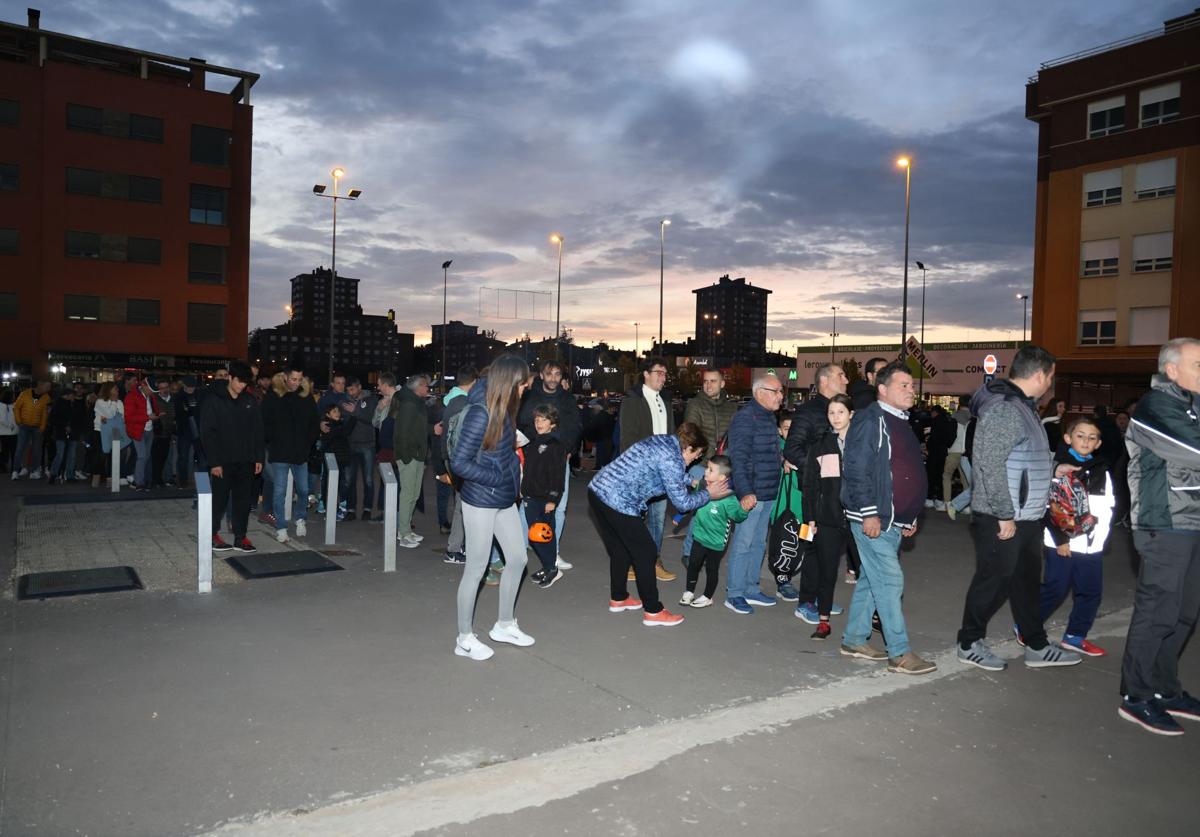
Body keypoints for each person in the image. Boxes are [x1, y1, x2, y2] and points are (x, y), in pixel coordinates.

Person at [956, 345, 1082, 672]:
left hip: (1025, 516)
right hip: (1003, 516)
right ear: (1039, 374)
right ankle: (969, 641)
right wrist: (1004, 513)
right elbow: (988, 462)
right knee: (994, 580)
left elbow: (1021, 457)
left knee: (1026, 583)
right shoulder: (1006, 409)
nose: (1051, 385)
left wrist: (1053, 469)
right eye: (1051, 377)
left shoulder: (1024, 408)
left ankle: (1036, 644)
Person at [1118, 337, 1200, 735]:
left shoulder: (1193, 404)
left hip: (1193, 523)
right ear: (1172, 370)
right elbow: (1193, 450)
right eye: (1198, 364)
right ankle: (1136, 696)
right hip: (1164, 522)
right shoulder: (1157, 405)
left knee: (1185, 612)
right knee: (1158, 612)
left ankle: (1166, 689)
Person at [840, 362, 937, 675]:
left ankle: (854, 639)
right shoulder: (871, 419)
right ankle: (900, 653)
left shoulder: (900, 420)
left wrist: (909, 515)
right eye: (904, 385)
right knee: (890, 580)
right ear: (882, 389)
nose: (911, 389)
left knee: (872, 580)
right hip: (874, 518)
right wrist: (869, 512)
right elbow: (856, 468)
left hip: (894, 519)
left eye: (911, 385)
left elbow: (901, 469)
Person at [590, 421, 729, 627]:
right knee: (646, 552)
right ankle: (653, 611)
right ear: (689, 447)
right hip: (618, 501)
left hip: (597, 491)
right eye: (697, 454)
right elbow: (683, 503)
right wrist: (708, 493)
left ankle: (619, 598)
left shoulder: (664, 441)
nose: (696, 459)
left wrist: (691, 481)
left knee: (621, 550)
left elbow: (667, 470)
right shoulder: (673, 458)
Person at [450, 354, 534, 661]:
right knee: (476, 569)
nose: (525, 390)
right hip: (481, 500)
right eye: (523, 384)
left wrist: (511, 472)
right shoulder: (480, 412)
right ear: (510, 382)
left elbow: (503, 451)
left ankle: (504, 624)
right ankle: (464, 638)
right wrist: (497, 476)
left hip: (503, 499)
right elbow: (460, 463)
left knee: (517, 558)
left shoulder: (504, 409)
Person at [1040, 416, 1113, 657]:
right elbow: (1052, 508)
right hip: (1064, 543)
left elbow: (1107, 505)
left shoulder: (1102, 467)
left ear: (1098, 443)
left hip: (1092, 546)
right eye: (1080, 435)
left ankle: (1074, 636)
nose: (1086, 440)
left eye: (1092, 437)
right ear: (1068, 438)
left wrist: (1102, 536)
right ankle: (1027, 624)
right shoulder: (1061, 466)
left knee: (1090, 592)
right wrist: (1062, 540)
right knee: (1056, 588)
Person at [785, 363, 848, 607]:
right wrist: (821, 470)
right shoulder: (809, 411)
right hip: (810, 497)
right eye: (841, 375)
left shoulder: (841, 410)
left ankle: (823, 599)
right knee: (810, 546)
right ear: (825, 380)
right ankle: (806, 602)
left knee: (829, 551)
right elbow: (792, 449)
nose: (845, 380)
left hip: (835, 498)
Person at [723, 373, 786, 614]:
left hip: (768, 492)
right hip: (753, 493)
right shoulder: (745, 419)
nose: (781, 396)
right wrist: (745, 491)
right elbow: (739, 458)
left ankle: (751, 587)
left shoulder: (768, 417)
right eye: (776, 391)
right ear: (760, 393)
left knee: (758, 543)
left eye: (781, 392)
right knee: (743, 543)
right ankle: (735, 593)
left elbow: (764, 452)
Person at [518, 360, 582, 570]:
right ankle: (518, 549)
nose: (553, 378)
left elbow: (575, 426)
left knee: (559, 506)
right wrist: (534, 446)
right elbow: (523, 424)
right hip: (535, 458)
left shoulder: (567, 398)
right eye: (549, 373)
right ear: (542, 376)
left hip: (559, 457)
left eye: (557, 374)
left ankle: (552, 554)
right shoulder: (530, 396)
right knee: (527, 503)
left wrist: (566, 448)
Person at [802, 393, 855, 640]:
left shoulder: (861, 443)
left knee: (869, 570)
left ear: (851, 414)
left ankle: (873, 617)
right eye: (831, 413)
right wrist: (810, 518)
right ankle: (823, 621)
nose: (835, 417)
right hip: (828, 519)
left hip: (859, 517)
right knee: (827, 570)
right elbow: (810, 485)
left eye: (841, 412)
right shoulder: (821, 445)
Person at [618, 357, 677, 581]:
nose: (663, 377)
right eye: (659, 373)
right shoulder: (633, 399)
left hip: (661, 471)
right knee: (637, 519)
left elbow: (670, 436)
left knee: (657, 518)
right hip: (641, 470)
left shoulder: (666, 400)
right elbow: (627, 439)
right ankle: (633, 563)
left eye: (664, 374)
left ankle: (653, 561)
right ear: (646, 374)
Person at [200, 361, 265, 554]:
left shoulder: (249, 400)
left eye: (245, 383)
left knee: (242, 501)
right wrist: (214, 462)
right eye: (239, 382)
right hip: (222, 462)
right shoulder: (214, 400)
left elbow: (257, 431)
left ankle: (240, 537)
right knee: (218, 501)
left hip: (245, 461)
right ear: (230, 377)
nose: (242, 386)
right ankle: (211, 534)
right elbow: (207, 433)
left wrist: (258, 458)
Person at [678, 369, 739, 562]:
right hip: (701, 464)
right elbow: (691, 434)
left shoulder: (732, 408)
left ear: (722, 384)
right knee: (701, 508)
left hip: (723, 467)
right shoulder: (695, 404)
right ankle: (689, 553)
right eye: (705, 381)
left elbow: (735, 436)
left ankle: (707, 550)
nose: (708, 385)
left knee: (718, 512)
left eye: (713, 381)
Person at [680, 454, 748, 608]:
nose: (705, 472)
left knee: (712, 569)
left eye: (710, 470)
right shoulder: (702, 486)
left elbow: (737, 516)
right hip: (699, 535)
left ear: (722, 477)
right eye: (707, 468)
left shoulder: (729, 498)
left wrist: (744, 510)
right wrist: (680, 514)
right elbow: (691, 501)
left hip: (716, 541)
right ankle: (689, 591)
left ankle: (707, 596)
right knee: (693, 563)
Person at [263, 368, 319, 542]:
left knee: (303, 490)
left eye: (299, 379)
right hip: (279, 452)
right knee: (280, 491)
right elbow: (264, 421)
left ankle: (300, 518)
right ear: (285, 378)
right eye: (293, 379)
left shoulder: (306, 396)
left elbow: (314, 422)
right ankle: (281, 527)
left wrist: (307, 444)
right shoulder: (273, 396)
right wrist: (271, 441)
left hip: (300, 453)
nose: (296, 382)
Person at [522, 404, 567, 588]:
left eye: (544, 419)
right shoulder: (533, 441)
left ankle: (552, 569)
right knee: (534, 536)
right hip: (530, 497)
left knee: (544, 535)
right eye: (537, 419)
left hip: (545, 499)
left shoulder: (555, 445)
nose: (539, 423)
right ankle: (548, 566)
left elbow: (558, 475)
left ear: (553, 423)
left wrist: (552, 499)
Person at [391, 373, 431, 548]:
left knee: (413, 494)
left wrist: (432, 430)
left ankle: (405, 529)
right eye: (425, 385)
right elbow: (402, 434)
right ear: (418, 387)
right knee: (408, 494)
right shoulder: (409, 404)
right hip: (410, 456)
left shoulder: (416, 403)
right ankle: (403, 533)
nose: (427, 388)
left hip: (417, 455)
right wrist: (407, 458)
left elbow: (418, 428)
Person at [341, 376, 380, 521]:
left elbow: (372, 419)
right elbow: (343, 416)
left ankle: (367, 509)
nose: (350, 392)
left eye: (352, 389)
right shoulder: (344, 401)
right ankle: (351, 509)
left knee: (368, 479)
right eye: (348, 390)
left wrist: (355, 411)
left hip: (367, 445)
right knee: (349, 479)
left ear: (359, 387)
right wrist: (354, 412)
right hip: (350, 445)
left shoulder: (370, 400)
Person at [12, 379, 51, 478]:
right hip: (24, 425)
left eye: (49, 387)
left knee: (36, 450)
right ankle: (15, 471)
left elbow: (44, 414)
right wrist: (19, 421)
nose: (49, 389)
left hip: (37, 427)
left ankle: (34, 471)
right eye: (47, 386)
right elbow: (16, 407)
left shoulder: (46, 398)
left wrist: (42, 427)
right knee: (20, 448)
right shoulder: (25, 394)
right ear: (40, 385)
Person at [320, 403, 353, 520]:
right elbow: (345, 432)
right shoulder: (329, 426)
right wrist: (354, 416)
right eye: (334, 411)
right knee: (330, 485)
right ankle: (330, 511)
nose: (337, 413)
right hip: (332, 461)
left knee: (338, 484)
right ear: (328, 414)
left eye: (338, 411)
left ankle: (333, 509)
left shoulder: (338, 424)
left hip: (340, 460)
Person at [89, 381, 125, 487]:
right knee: (101, 455)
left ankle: (111, 481)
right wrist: (113, 404)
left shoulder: (120, 402)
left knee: (112, 455)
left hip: (115, 431)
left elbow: (122, 417)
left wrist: (111, 414)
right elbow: (110, 415)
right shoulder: (100, 402)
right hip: (100, 431)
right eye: (115, 389)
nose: (117, 391)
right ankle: (96, 479)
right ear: (108, 390)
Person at [123, 377, 154, 491]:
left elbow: (152, 409)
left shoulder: (150, 396)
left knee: (146, 456)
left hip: (149, 429)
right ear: (145, 386)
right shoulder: (132, 396)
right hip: (137, 430)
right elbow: (129, 417)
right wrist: (148, 417)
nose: (152, 393)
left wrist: (157, 414)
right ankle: (138, 481)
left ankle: (141, 480)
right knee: (142, 456)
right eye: (151, 390)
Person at [944, 398, 972, 520]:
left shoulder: (954, 417)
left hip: (954, 450)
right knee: (965, 478)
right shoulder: (972, 419)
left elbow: (950, 435)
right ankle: (966, 506)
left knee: (947, 476)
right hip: (966, 453)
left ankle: (947, 502)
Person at [0, 388, 16, 475]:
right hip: (8, 432)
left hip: (8, 432)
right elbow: (2, 419)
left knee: (5, 450)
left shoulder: (12, 405)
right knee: (9, 450)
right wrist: (11, 426)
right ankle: (6, 466)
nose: (14, 397)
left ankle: (5, 466)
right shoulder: (2, 406)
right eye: (13, 396)